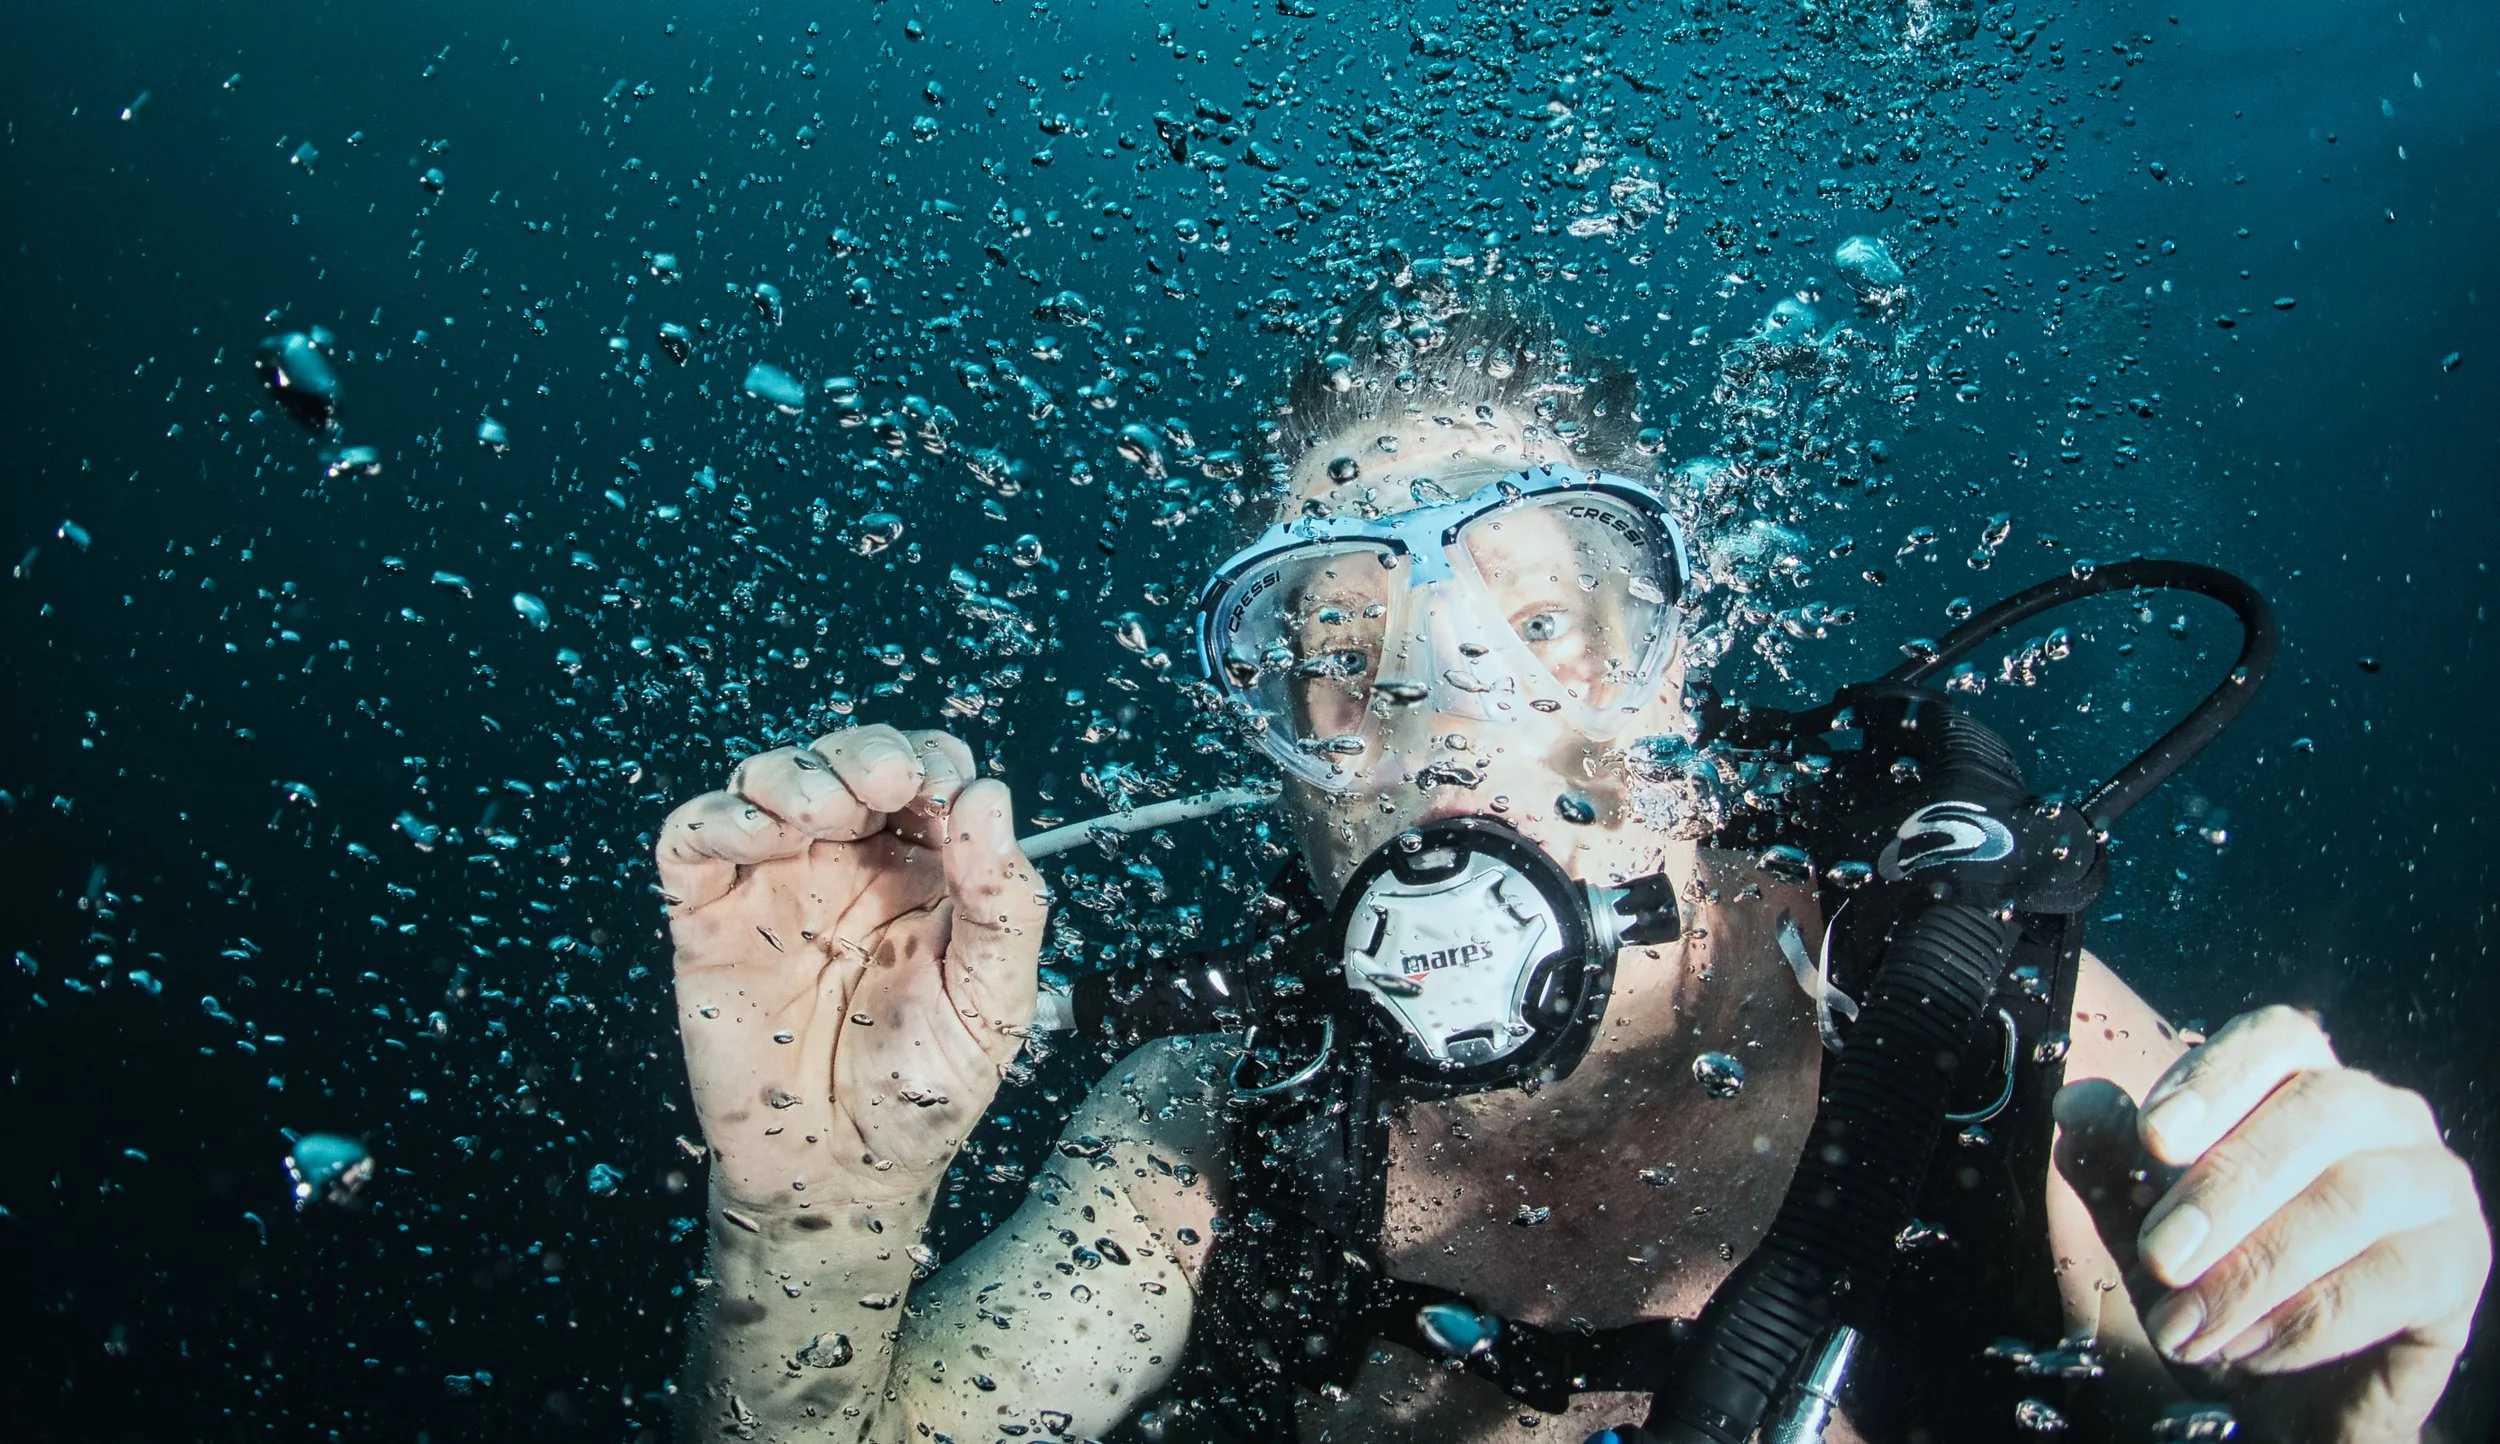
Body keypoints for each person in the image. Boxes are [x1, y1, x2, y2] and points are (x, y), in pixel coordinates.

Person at [654, 279, 2489, 1443]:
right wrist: (815, 1214)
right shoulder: (1207, 1138)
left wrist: (2335, 1379)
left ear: (1676, 667)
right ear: (1280, 774)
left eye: (1542, 625)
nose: (1451, 720)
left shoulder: (1951, 1020)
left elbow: (2259, 1308)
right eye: (1339, 657)